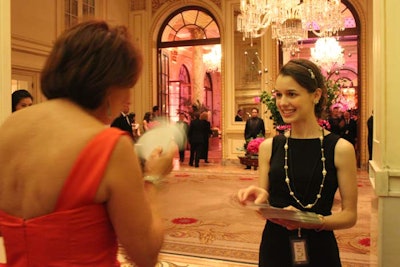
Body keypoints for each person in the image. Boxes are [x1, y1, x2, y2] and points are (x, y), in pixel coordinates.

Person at [0, 20, 176, 267]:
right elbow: (145, 254)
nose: (128, 98)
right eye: (128, 86)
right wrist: (153, 179)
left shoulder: (8, 129)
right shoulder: (108, 146)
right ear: (109, 85)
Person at [237, 59, 357, 267]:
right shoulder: (269, 147)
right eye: (278, 95)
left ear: (316, 95)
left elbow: (350, 216)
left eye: (292, 94)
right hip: (275, 248)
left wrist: (310, 221)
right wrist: (261, 199)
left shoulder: (340, 149)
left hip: (320, 250)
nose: (283, 102)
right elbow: (264, 206)